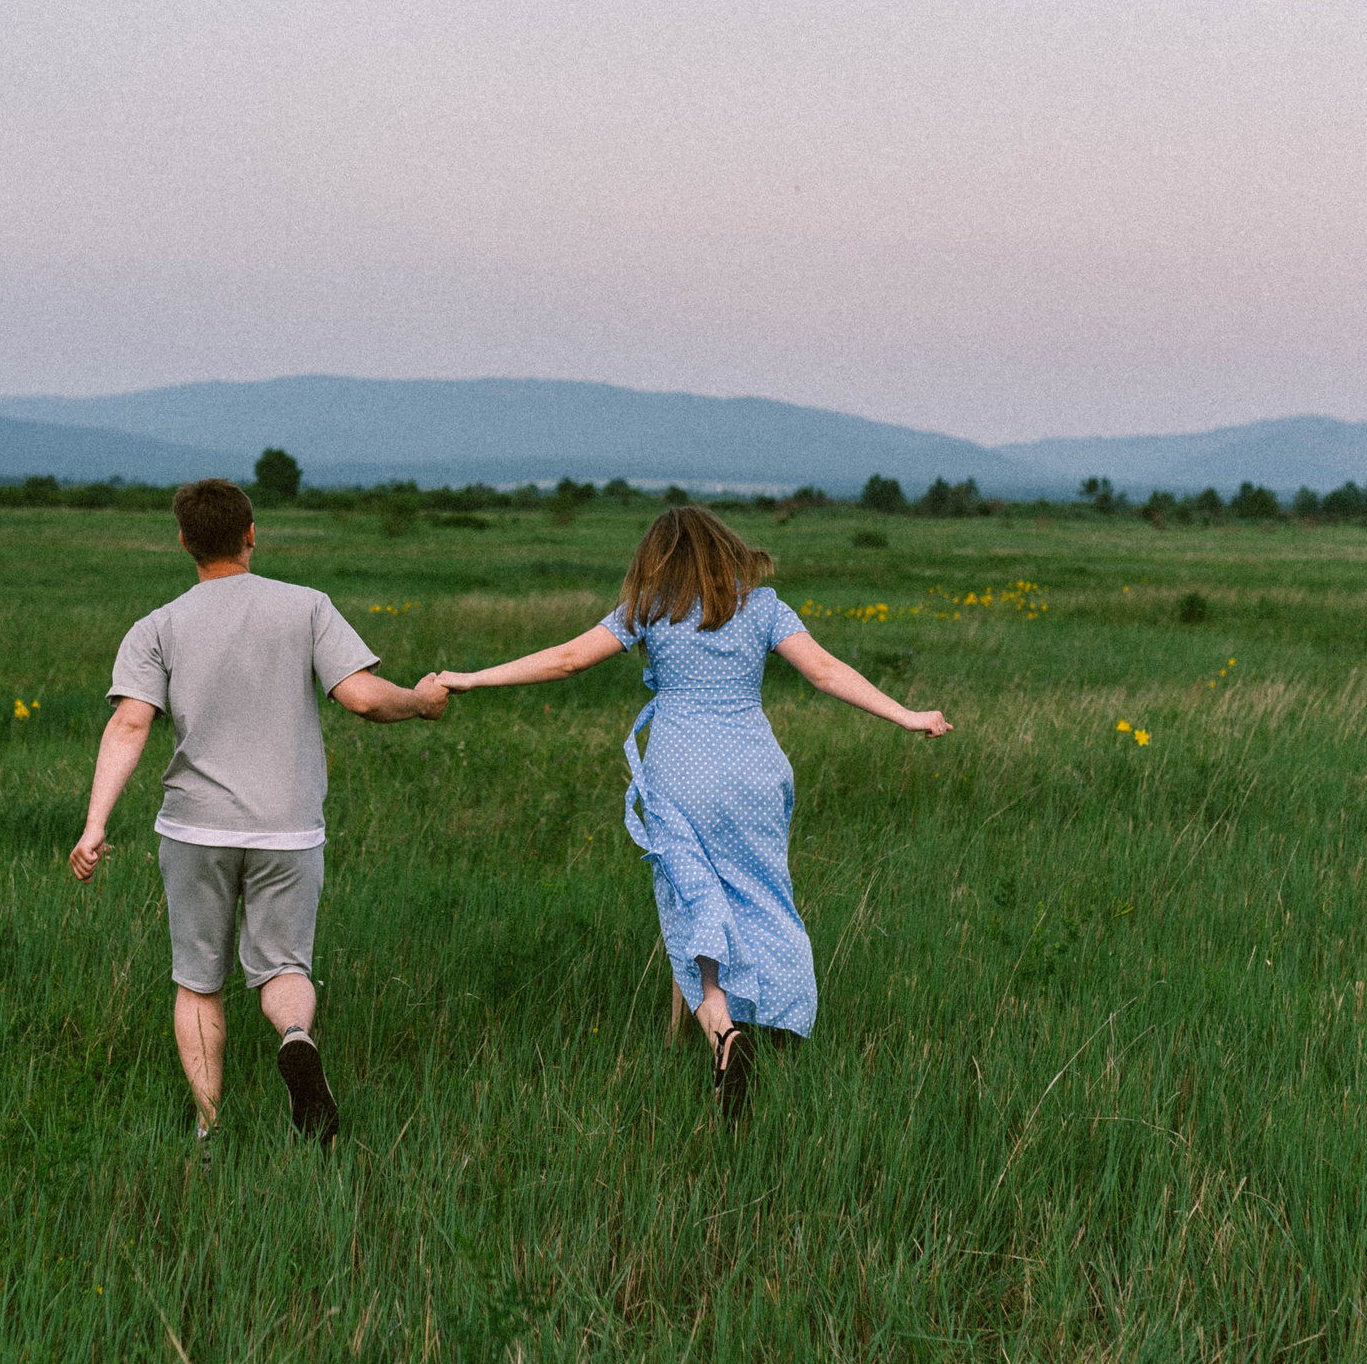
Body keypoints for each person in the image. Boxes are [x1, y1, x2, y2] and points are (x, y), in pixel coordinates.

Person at [429, 505, 949, 1118]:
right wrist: (909, 714)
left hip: (681, 773)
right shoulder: (761, 606)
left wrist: (470, 678)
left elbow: (566, 660)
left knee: (694, 898)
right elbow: (826, 672)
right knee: (763, 898)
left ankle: (722, 1030)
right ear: (726, 551)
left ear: (659, 558)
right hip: (755, 772)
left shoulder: (650, 608)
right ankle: (769, 1019)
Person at [69, 478, 447, 1149]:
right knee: (284, 968)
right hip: (288, 828)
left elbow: (129, 725)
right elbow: (361, 696)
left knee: (198, 982)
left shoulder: (158, 625)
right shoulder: (306, 607)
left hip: (194, 828)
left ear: (184, 541)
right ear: (252, 533)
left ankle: (210, 1130)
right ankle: (296, 1037)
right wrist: (420, 701)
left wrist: (95, 824)